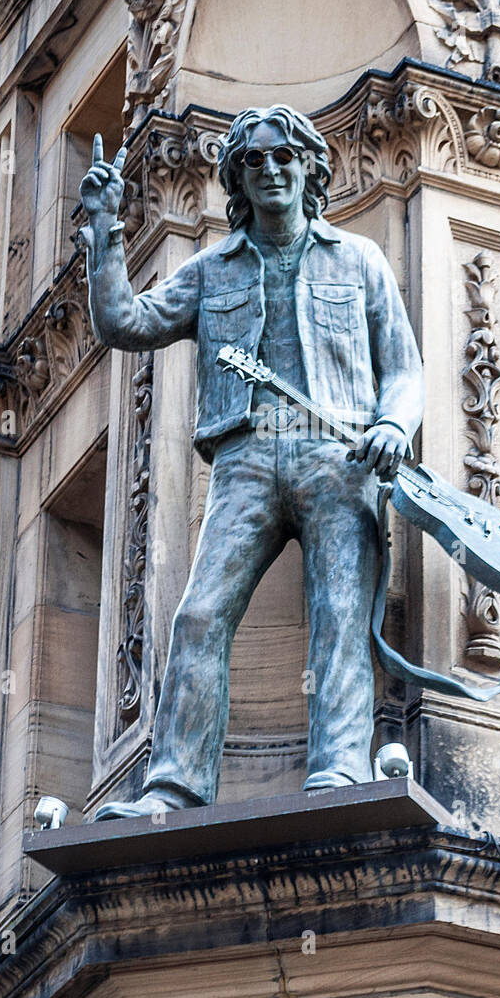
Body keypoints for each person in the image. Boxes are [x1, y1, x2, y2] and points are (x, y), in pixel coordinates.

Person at [80, 105, 424, 818]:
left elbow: (404, 368)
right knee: (200, 616)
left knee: (339, 612)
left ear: (308, 169)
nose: (270, 170)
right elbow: (125, 323)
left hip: (339, 459)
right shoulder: (212, 269)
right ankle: (173, 787)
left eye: (283, 158)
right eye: (254, 161)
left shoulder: (358, 260)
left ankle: (338, 771)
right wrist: (105, 233)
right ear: (237, 176)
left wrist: (394, 422)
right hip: (247, 456)